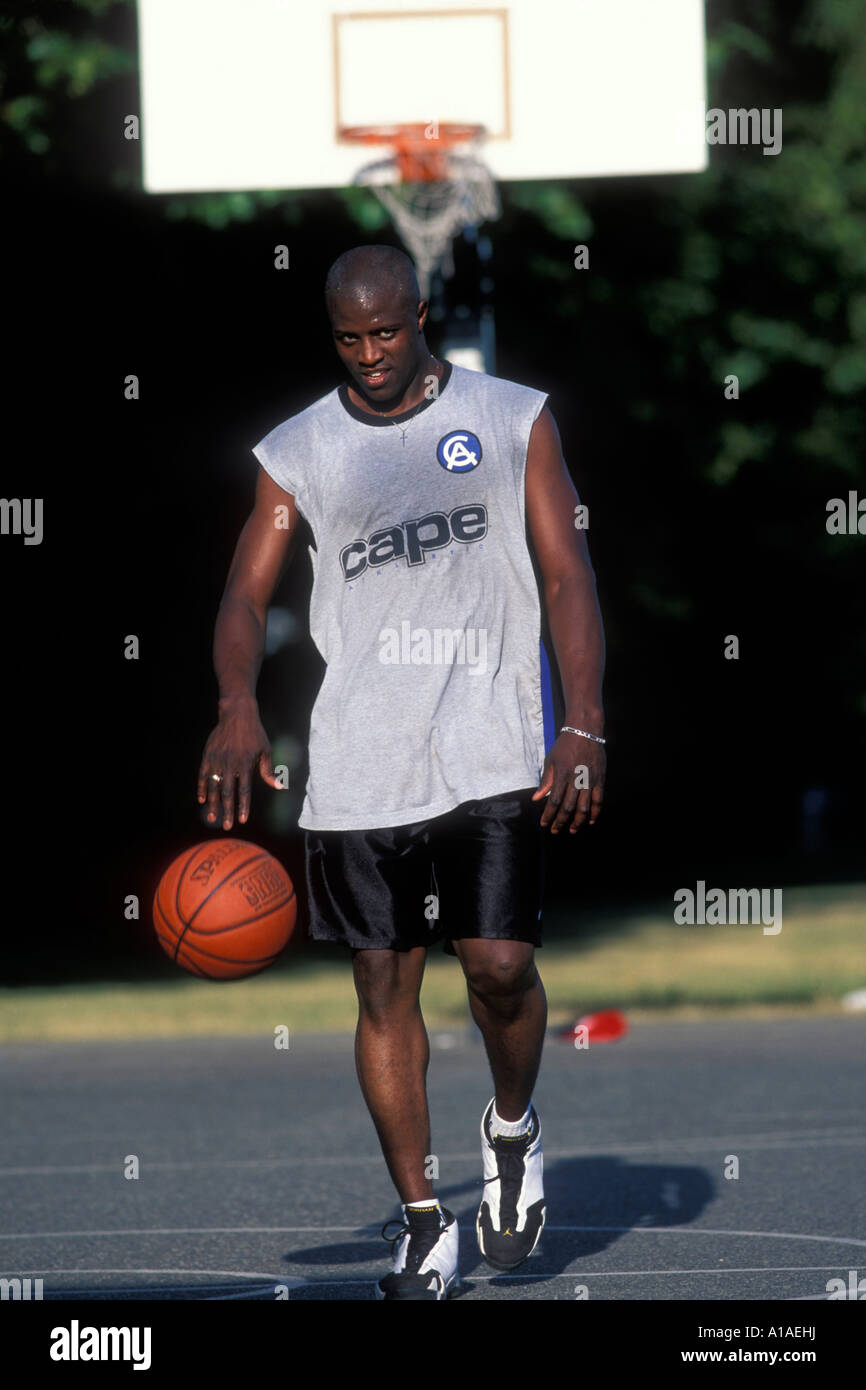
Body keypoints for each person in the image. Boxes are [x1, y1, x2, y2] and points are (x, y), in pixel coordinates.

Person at [197, 244, 606, 1300]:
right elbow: (244, 593)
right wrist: (236, 704)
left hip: (490, 738)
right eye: (348, 338)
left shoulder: (514, 418)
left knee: (500, 968)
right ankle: (424, 1221)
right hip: (361, 757)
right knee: (383, 984)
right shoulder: (299, 452)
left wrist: (584, 723)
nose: (370, 354)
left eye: (386, 332)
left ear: (420, 316)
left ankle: (511, 1128)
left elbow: (566, 575)